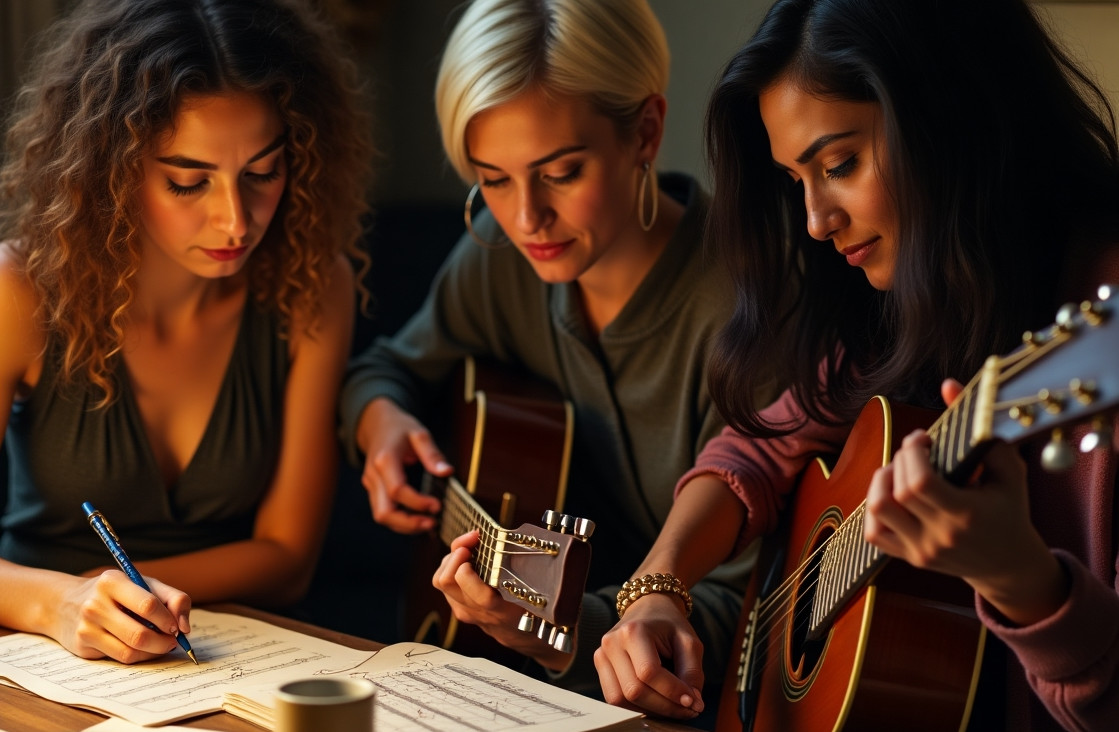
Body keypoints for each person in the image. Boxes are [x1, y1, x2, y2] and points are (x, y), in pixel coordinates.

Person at [593, 0, 1119, 730]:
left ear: (953, 118)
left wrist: (1018, 577)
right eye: (794, 180)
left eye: (838, 164)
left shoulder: (1096, 328)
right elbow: (753, 447)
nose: (814, 221)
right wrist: (656, 586)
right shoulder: (902, 303)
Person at [338, 0, 766, 710]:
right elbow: (384, 368)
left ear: (646, 132)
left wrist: (548, 631)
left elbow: (742, 615)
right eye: (492, 179)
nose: (526, 217)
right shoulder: (501, 263)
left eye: (561, 172)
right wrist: (379, 423)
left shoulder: (746, 306)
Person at [0, 0, 372, 664]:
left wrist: (120, 589)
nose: (235, 220)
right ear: (112, 173)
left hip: (242, 658)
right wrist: (58, 602)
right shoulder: (19, 291)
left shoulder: (311, 287)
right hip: (41, 654)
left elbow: (287, 558)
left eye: (262, 173)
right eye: (187, 182)